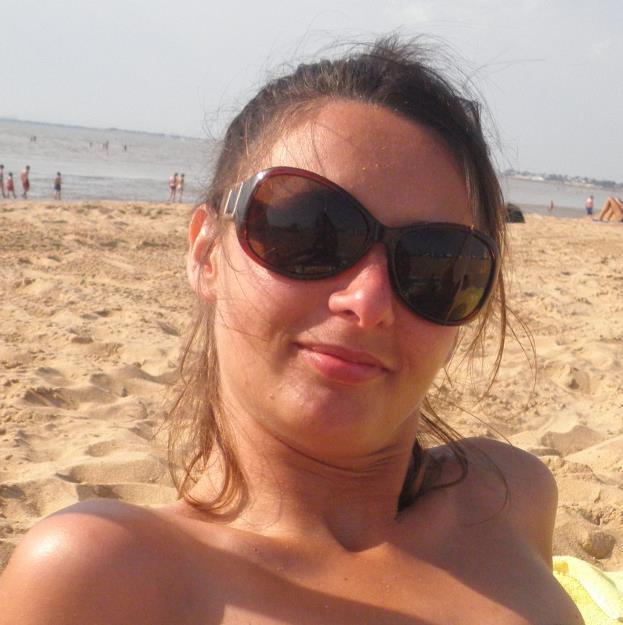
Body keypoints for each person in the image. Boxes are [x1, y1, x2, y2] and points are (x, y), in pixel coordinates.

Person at [0, 37, 582, 624]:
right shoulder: (100, 576)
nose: (368, 301)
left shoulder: (510, 495)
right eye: (307, 230)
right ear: (206, 253)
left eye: (438, 264)